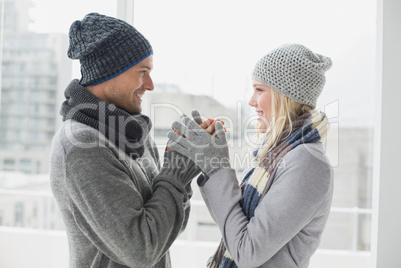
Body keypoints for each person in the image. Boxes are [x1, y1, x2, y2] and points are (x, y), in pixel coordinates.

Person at [50, 13, 201, 268]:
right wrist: (175, 173)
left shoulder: (133, 133)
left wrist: (181, 165)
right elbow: (141, 251)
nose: (150, 85)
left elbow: (169, 228)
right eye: (143, 72)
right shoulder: (80, 145)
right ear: (109, 72)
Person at [168, 44, 334, 267]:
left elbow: (247, 253)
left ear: (284, 95)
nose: (251, 101)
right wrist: (208, 162)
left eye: (259, 89)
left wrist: (217, 165)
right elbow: (232, 231)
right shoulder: (276, 154)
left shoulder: (308, 162)